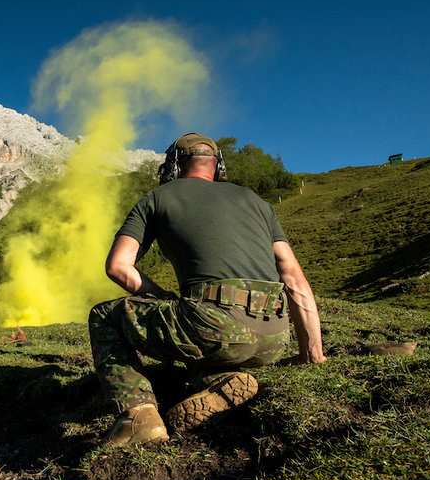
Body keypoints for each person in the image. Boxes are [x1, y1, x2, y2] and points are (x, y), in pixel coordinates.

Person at [89, 132, 325, 448]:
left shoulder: (157, 198)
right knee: (199, 326)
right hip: (274, 339)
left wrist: (163, 298)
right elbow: (293, 278)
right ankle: (220, 379)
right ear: (218, 165)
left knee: (105, 315)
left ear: (174, 165)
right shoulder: (257, 202)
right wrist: (312, 354)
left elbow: (118, 266)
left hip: (214, 327)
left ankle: (137, 419)